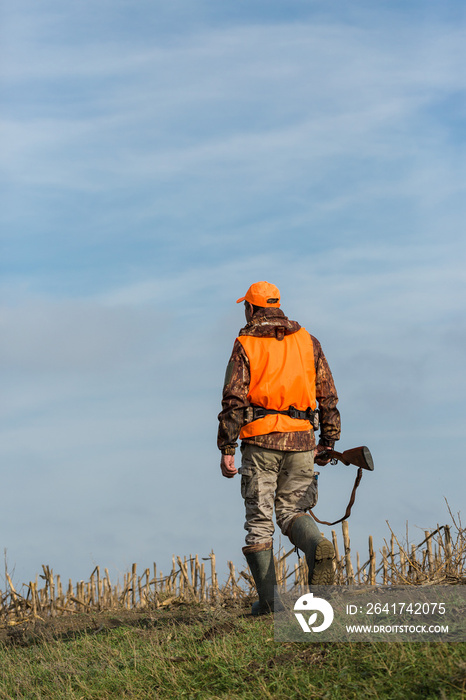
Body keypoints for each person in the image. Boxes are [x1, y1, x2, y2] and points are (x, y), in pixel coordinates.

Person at [217, 281, 341, 615]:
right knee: (292, 512)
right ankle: (317, 545)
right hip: (302, 440)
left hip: (260, 442)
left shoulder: (245, 343)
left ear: (251, 308)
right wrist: (328, 441)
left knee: (259, 522)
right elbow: (327, 394)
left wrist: (226, 446)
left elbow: (234, 398)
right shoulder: (308, 341)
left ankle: (270, 605)